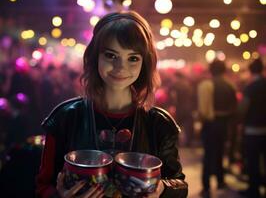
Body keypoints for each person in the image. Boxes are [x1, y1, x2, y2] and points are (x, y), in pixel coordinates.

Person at [36, 11, 188, 198]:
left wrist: (162, 189)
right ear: (95, 57)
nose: (120, 67)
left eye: (132, 58)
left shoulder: (160, 124)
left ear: (145, 63)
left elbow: (179, 184)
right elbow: (43, 185)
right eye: (111, 55)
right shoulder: (65, 117)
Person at [197, 59, 237, 198]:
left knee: (208, 155)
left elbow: (203, 111)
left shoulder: (206, 85)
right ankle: (220, 181)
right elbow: (234, 108)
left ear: (211, 70)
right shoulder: (230, 85)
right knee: (220, 154)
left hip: (210, 124)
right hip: (224, 124)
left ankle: (206, 185)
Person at [238, 58, 266, 198]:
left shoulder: (251, 87)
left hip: (252, 130)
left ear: (250, 70)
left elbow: (243, 108)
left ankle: (253, 190)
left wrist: (239, 122)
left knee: (253, 161)